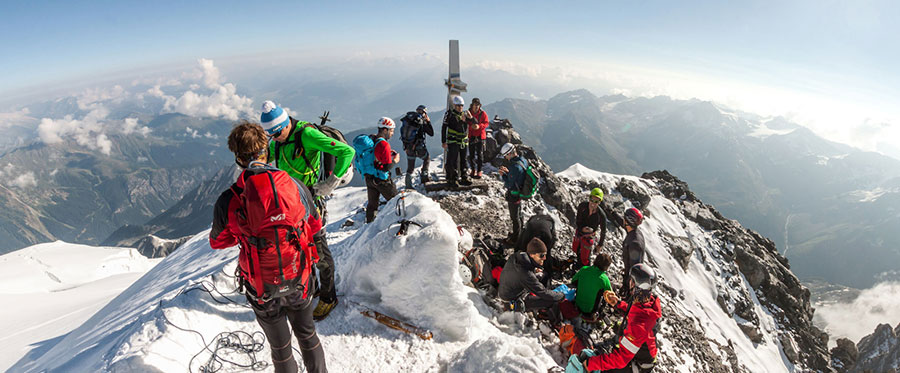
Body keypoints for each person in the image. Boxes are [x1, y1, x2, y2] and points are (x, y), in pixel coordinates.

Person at [210, 121, 327, 373]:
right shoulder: (295, 186)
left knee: (281, 349)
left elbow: (217, 242)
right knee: (308, 336)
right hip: (300, 278)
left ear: (239, 158)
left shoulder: (230, 199)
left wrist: (245, 235)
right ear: (267, 150)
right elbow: (315, 226)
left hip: (262, 285)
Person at [261, 100, 355, 321]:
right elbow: (270, 155)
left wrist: (331, 182)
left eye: (277, 134)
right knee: (299, 249)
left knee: (319, 251)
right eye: (271, 136)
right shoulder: (279, 139)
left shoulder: (307, 135)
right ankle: (309, 287)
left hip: (311, 202)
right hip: (292, 203)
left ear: (285, 125)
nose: (275, 139)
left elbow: (347, 151)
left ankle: (329, 296)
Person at [581, 263, 660, 372]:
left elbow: (620, 359)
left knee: (602, 369)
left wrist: (591, 364)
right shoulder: (646, 300)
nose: (629, 282)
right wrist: (618, 303)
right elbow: (634, 312)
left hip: (639, 364)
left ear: (635, 284)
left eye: (631, 280)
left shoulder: (639, 324)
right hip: (641, 354)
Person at [498, 238, 565, 325]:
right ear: (532, 255)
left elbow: (521, 273)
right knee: (553, 301)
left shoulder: (516, 257)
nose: (544, 258)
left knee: (544, 276)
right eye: (541, 255)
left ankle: (543, 309)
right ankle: (557, 325)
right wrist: (561, 296)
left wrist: (534, 271)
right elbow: (543, 292)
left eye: (545, 255)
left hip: (508, 291)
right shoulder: (525, 273)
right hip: (513, 301)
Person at [361, 117, 400, 223]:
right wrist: (395, 160)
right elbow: (387, 167)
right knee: (397, 202)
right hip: (381, 180)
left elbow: (375, 154)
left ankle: (368, 226)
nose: (392, 133)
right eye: (391, 130)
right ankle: (399, 224)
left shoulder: (372, 139)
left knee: (372, 205)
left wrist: (387, 153)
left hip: (369, 178)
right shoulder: (384, 144)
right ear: (385, 130)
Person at [515, 214, 557, 286]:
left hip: (547, 223)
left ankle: (548, 280)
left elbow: (549, 247)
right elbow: (517, 249)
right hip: (533, 223)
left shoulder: (548, 238)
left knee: (546, 258)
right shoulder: (525, 240)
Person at [498, 142, 527, 243]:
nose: (506, 157)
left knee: (514, 217)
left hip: (514, 194)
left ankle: (515, 239)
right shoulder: (523, 160)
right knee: (519, 214)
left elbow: (509, 184)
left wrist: (503, 175)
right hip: (520, 192)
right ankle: (520, 233)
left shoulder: (514, 167)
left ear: (510, 153)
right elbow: (516, 176)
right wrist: (508, 172)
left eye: (506, 155)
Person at [400, 105, 434, 188]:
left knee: (410, 167)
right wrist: (428, 122)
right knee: (427, 158)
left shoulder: (409, 120)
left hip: (408, 147)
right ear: (424, 113)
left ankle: (408, 185)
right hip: (419, 147)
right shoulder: (421, 122)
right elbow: (431, 133)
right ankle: (424, 177)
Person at [442, 95, 473, 188]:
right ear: (455, 105)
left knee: (464, 160)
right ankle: (452, 178)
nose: (460, 108)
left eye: (462, 106)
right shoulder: (450, 114)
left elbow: (474, 123)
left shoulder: (464, 114)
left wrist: (470, 118)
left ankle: (464, 176)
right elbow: (446, 127)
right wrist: (443, 141)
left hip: (463, 141)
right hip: (453, 141)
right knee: (453, 160)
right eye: (459, 106)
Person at [570, 253, 613, 317]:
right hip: (590, 310)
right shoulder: (604, 279)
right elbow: (611, 297)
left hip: (577, 305)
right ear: (606, 267)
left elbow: (573, 281)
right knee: (606, 291)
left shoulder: (584, 269)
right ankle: (596, 312)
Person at [573, 188, 608, 266]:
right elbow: (578, 220)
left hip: (590, 236)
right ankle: (579, 263)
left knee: (586, 254)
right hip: (580, 231)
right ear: (589, 198)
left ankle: (585, 267)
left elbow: (603, 231)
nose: (593, 203)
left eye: (596, 201)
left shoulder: (601, 215)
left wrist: (600, 245)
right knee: (576, 248)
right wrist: (582, 228)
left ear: (599, 202)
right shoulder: (582, 206)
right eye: (592, 200)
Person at [620, 207, 646, 300]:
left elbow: (635, 267)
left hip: (631, 279)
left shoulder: (634, 242)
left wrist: (629, 285)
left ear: (628, 221)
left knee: (627, 302)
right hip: (630, 274)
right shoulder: (634, 232)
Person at [466, 97, 489, 179]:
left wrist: (479, 126)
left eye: (478, 105)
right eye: (475, 105)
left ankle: (479, 170)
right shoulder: (468, 114)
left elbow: (486, 123)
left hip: (480, 136)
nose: (476, 106)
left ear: (480, 106)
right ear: (472, 105)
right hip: (471, 136)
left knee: (480, 154)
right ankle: (473, 170)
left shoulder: (483, 114)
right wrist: (472, 127)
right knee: (471, 155)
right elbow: (466, 122)